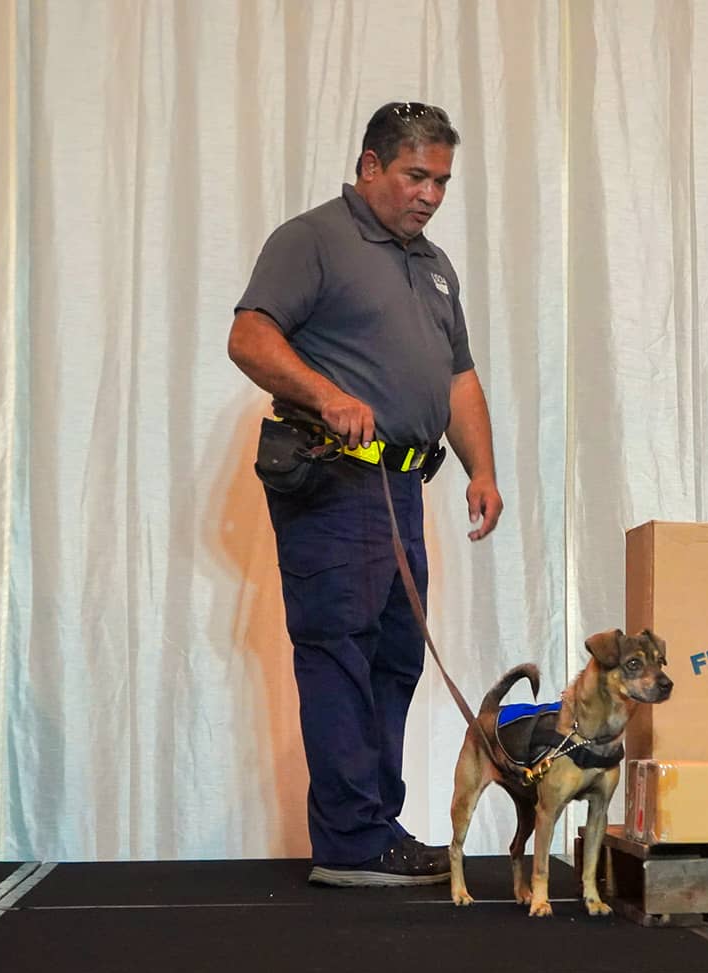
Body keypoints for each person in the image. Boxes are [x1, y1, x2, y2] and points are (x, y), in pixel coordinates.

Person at [228, 101, 503, 887]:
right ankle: (350, 842)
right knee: (341, 653)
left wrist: (481, 468)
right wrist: (323, 393)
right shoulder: (314, 238)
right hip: (334, 477)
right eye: (417, 175)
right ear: (371, 165)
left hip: (402, 487)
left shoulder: (434, 264)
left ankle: (374, 830)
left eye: (442, 181)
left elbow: (459, 378)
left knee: (393, 659)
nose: (430, 194)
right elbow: (249, 334)